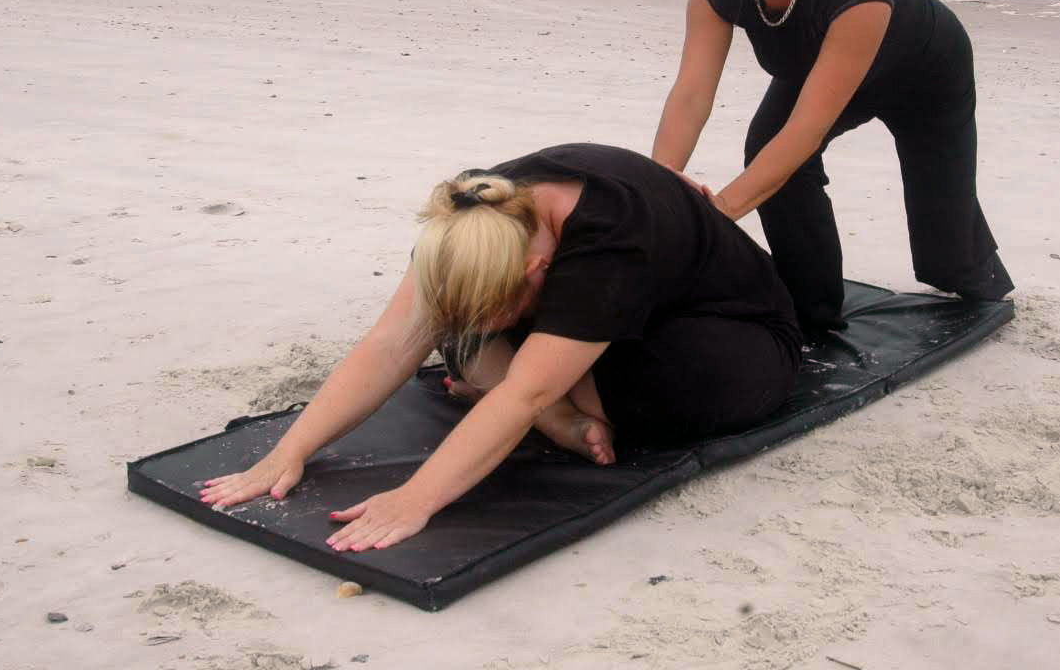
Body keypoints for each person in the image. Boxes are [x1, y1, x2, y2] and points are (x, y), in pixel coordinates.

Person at [200, 143, 802, 552]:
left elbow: (523, 393)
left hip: (727, 331)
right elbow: (389, 344)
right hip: (597, 317)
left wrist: (415, 499)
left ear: (538, 272)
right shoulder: (474, 218)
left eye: (503, 308)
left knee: (648, 394)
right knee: (461, 334)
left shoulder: (608, 239)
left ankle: (539, 391)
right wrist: (290, 451)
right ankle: (559, 413)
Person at [652, 0, 1012, 335]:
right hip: (823, 68)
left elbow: (806, 129)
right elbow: (690, 97)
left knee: (948, 255)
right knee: (768, 149)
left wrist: (717, 215)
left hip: (925, 77)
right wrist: (656, 191)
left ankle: (975, 277)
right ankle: (812, 309)